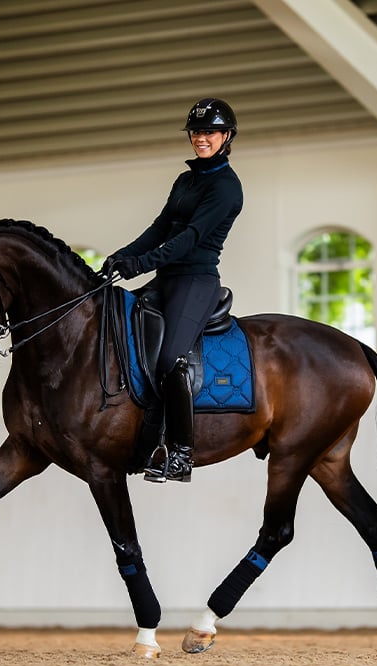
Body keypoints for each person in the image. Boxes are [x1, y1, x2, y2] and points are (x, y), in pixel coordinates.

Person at [105, 98, 243, 483]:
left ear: (226, 137)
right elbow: (160, 228)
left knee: (170, 360)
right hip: (166, 278)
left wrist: (141, 264)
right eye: (197, 132)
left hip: (196, 280)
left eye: (209, 132)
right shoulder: (185, 180)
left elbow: (189, 238)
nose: (202, 138)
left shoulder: (227, 187)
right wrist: (122, 256)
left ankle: (181, 453)